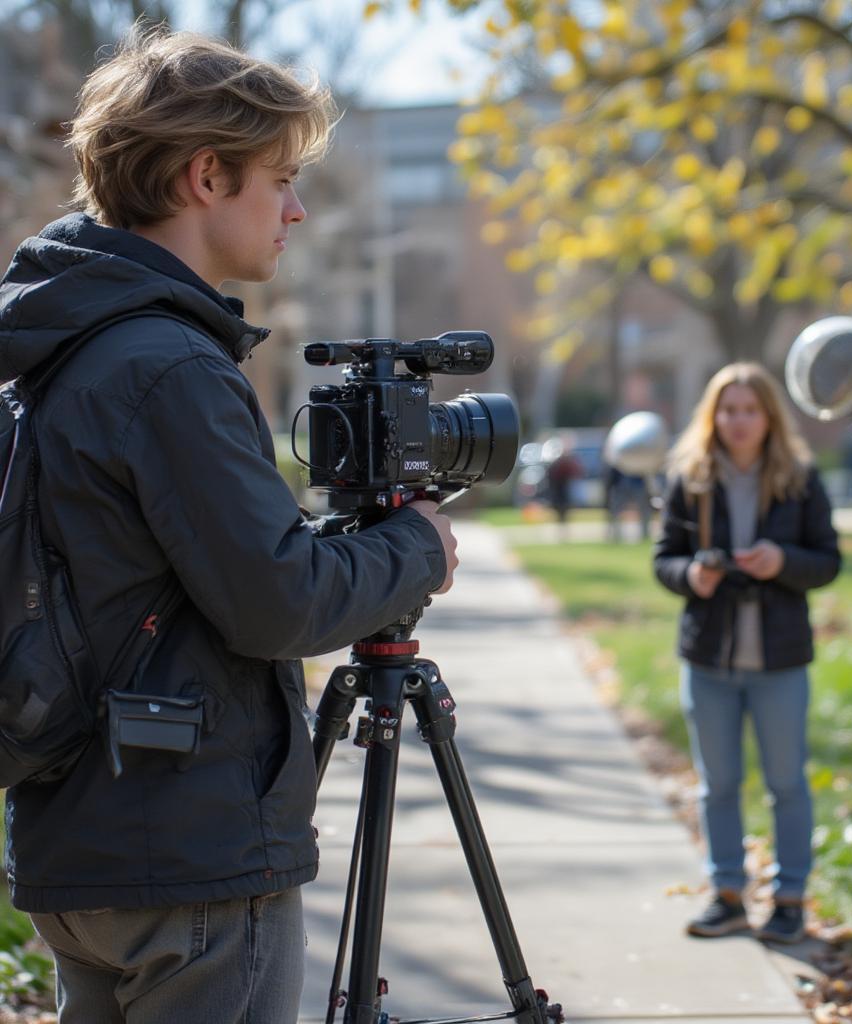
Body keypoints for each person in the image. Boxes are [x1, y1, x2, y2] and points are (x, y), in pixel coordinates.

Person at [0, 28, 458, 1024]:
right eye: (280, 178)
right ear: (206, 176)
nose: (295, 208)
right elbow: (278, 600)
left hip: (81, 838)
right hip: (189, 858)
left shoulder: (59, 340)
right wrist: (416, 547)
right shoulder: (167, 364)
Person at [653, 363, 840, 943]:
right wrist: (693, 576)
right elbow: (664, 560)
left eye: (749, 410)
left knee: (787, 783)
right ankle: (727, 893)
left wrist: (783, 561)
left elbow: (829, 561)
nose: (738, 421)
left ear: (769, 417)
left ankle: (789, 899)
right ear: (713, 416)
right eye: (727, 410)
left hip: (780, 660)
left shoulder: (800, 479)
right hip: (709, 658)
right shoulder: (691, 478)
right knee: (718, 784)